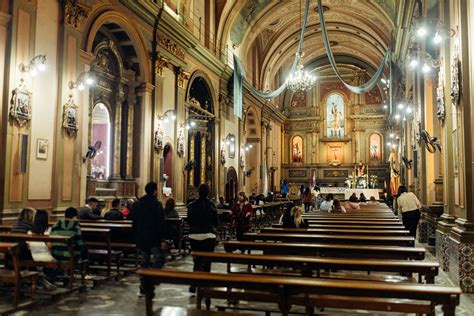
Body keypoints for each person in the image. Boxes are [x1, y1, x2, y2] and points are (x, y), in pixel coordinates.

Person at [132, 182, 166, 297]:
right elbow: (161, 223)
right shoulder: (157, 204)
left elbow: (134, 221)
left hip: (141, 237)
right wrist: (162, 239)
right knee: (160, 259)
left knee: (144, 262)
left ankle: (143, 288)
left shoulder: (138, 203)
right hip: (153, 237)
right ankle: (150, 279)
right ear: (155, 191)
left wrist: (136, 236)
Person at [187, 184, 218, 292]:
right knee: (207, 261)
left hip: (194, 236)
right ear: (208, 192)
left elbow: (189, 221)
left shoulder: (191, 205)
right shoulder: (211, 205)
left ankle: (194, 284)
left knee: (197, 261)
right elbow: (216, 222)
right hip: (208, 236)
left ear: (198, 192)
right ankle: (205, 284)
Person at [27, 210, 57, 290]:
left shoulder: (29, 231)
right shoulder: (48, 230)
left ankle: (40, 278)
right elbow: (50, 246)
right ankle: (48, 279)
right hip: (45, 256)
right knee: (54, 260)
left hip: (33, 255)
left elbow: (28, 246)